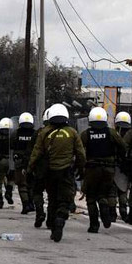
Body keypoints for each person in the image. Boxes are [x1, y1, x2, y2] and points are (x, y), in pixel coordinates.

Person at [28, 104, 86, 242]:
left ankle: (53, 226)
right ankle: (60, 219)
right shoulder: (72, 133)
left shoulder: (44, 133)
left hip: (49, 173)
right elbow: (80, 154)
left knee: (52, 199)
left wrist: (30, 169)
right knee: (64, 200)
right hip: (66, 172)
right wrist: (81, 169)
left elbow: (36, 153)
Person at [80, 107, 127, 234]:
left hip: (91, 169)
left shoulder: (86, 134)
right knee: (104, 192)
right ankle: (104, 207)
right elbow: (123, 146)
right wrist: (119, 158)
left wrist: (79, 167)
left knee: (90, 197)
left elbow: (78, 149)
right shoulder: (111, 132)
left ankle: (94, 225)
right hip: (108, 169)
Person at [13, 113, 37, 214]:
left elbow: (12, 145)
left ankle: (26, 204)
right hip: (32, 161)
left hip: (20, 161)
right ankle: (31, 203)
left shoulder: (16, 133)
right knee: (31, 184)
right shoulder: (35, 134)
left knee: (22, 184)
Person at [30, 110, 50, 227]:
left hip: (40, 169)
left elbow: (33, 152)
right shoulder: (68, 132)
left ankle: (40, 213)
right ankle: (52, 218)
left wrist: (29, 168)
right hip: (58, 169)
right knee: (54, 194)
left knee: (37, 192)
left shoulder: (39, 133)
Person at [112, 111, 132, 221]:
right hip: (126, 167)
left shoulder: (114, 135)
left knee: (113, 190)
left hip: (115, 165)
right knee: (123, 190)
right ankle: (123, 210)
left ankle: (113, 212)